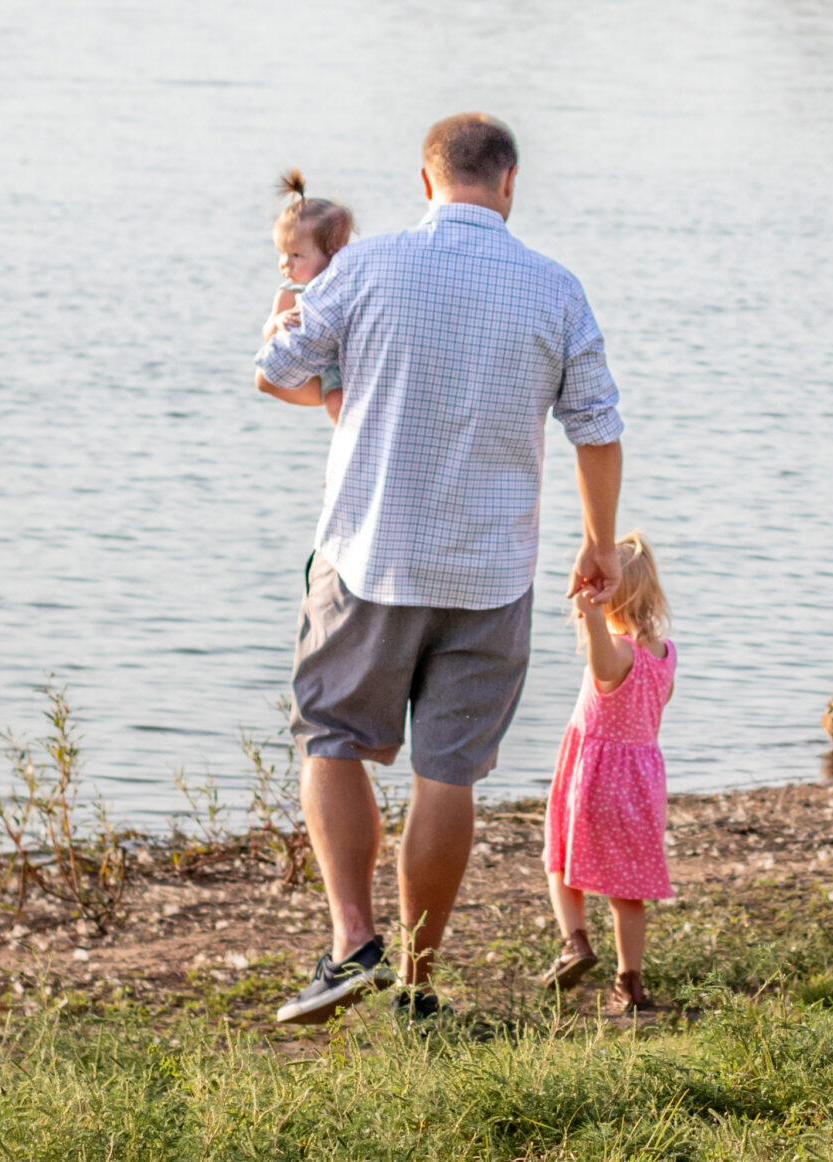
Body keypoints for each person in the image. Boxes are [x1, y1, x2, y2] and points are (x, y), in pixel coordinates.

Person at [253, 113, 625, 1024]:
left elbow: (275, 367)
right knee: (446, 774)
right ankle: (417, 984)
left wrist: (337, 387)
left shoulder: (367, 265)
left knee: (333, 737)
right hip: (492, 571)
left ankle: (352, 943)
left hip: (371, 555)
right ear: (509, 184)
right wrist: (599, 542)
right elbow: (598, 426)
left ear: (426, 184)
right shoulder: (556, 289)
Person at [534, 533, 676, 1015]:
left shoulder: (613, 654)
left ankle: (574, 941)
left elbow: (602, 662)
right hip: (643, 781)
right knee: (627, 890)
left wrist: (592, 614)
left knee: (560, 858)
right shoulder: (665, 655)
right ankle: (629, 984)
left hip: (593, 775)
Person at [258, 169, 354, 425]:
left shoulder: (345, 283)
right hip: (326, 368)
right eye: (282, 254)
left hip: (355, 357)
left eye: (296, 256)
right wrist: (278, 323)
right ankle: (345, 435)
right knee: (336, 403)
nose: (285, 264)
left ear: (333, 253)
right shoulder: (290, 293)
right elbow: (268, 332)